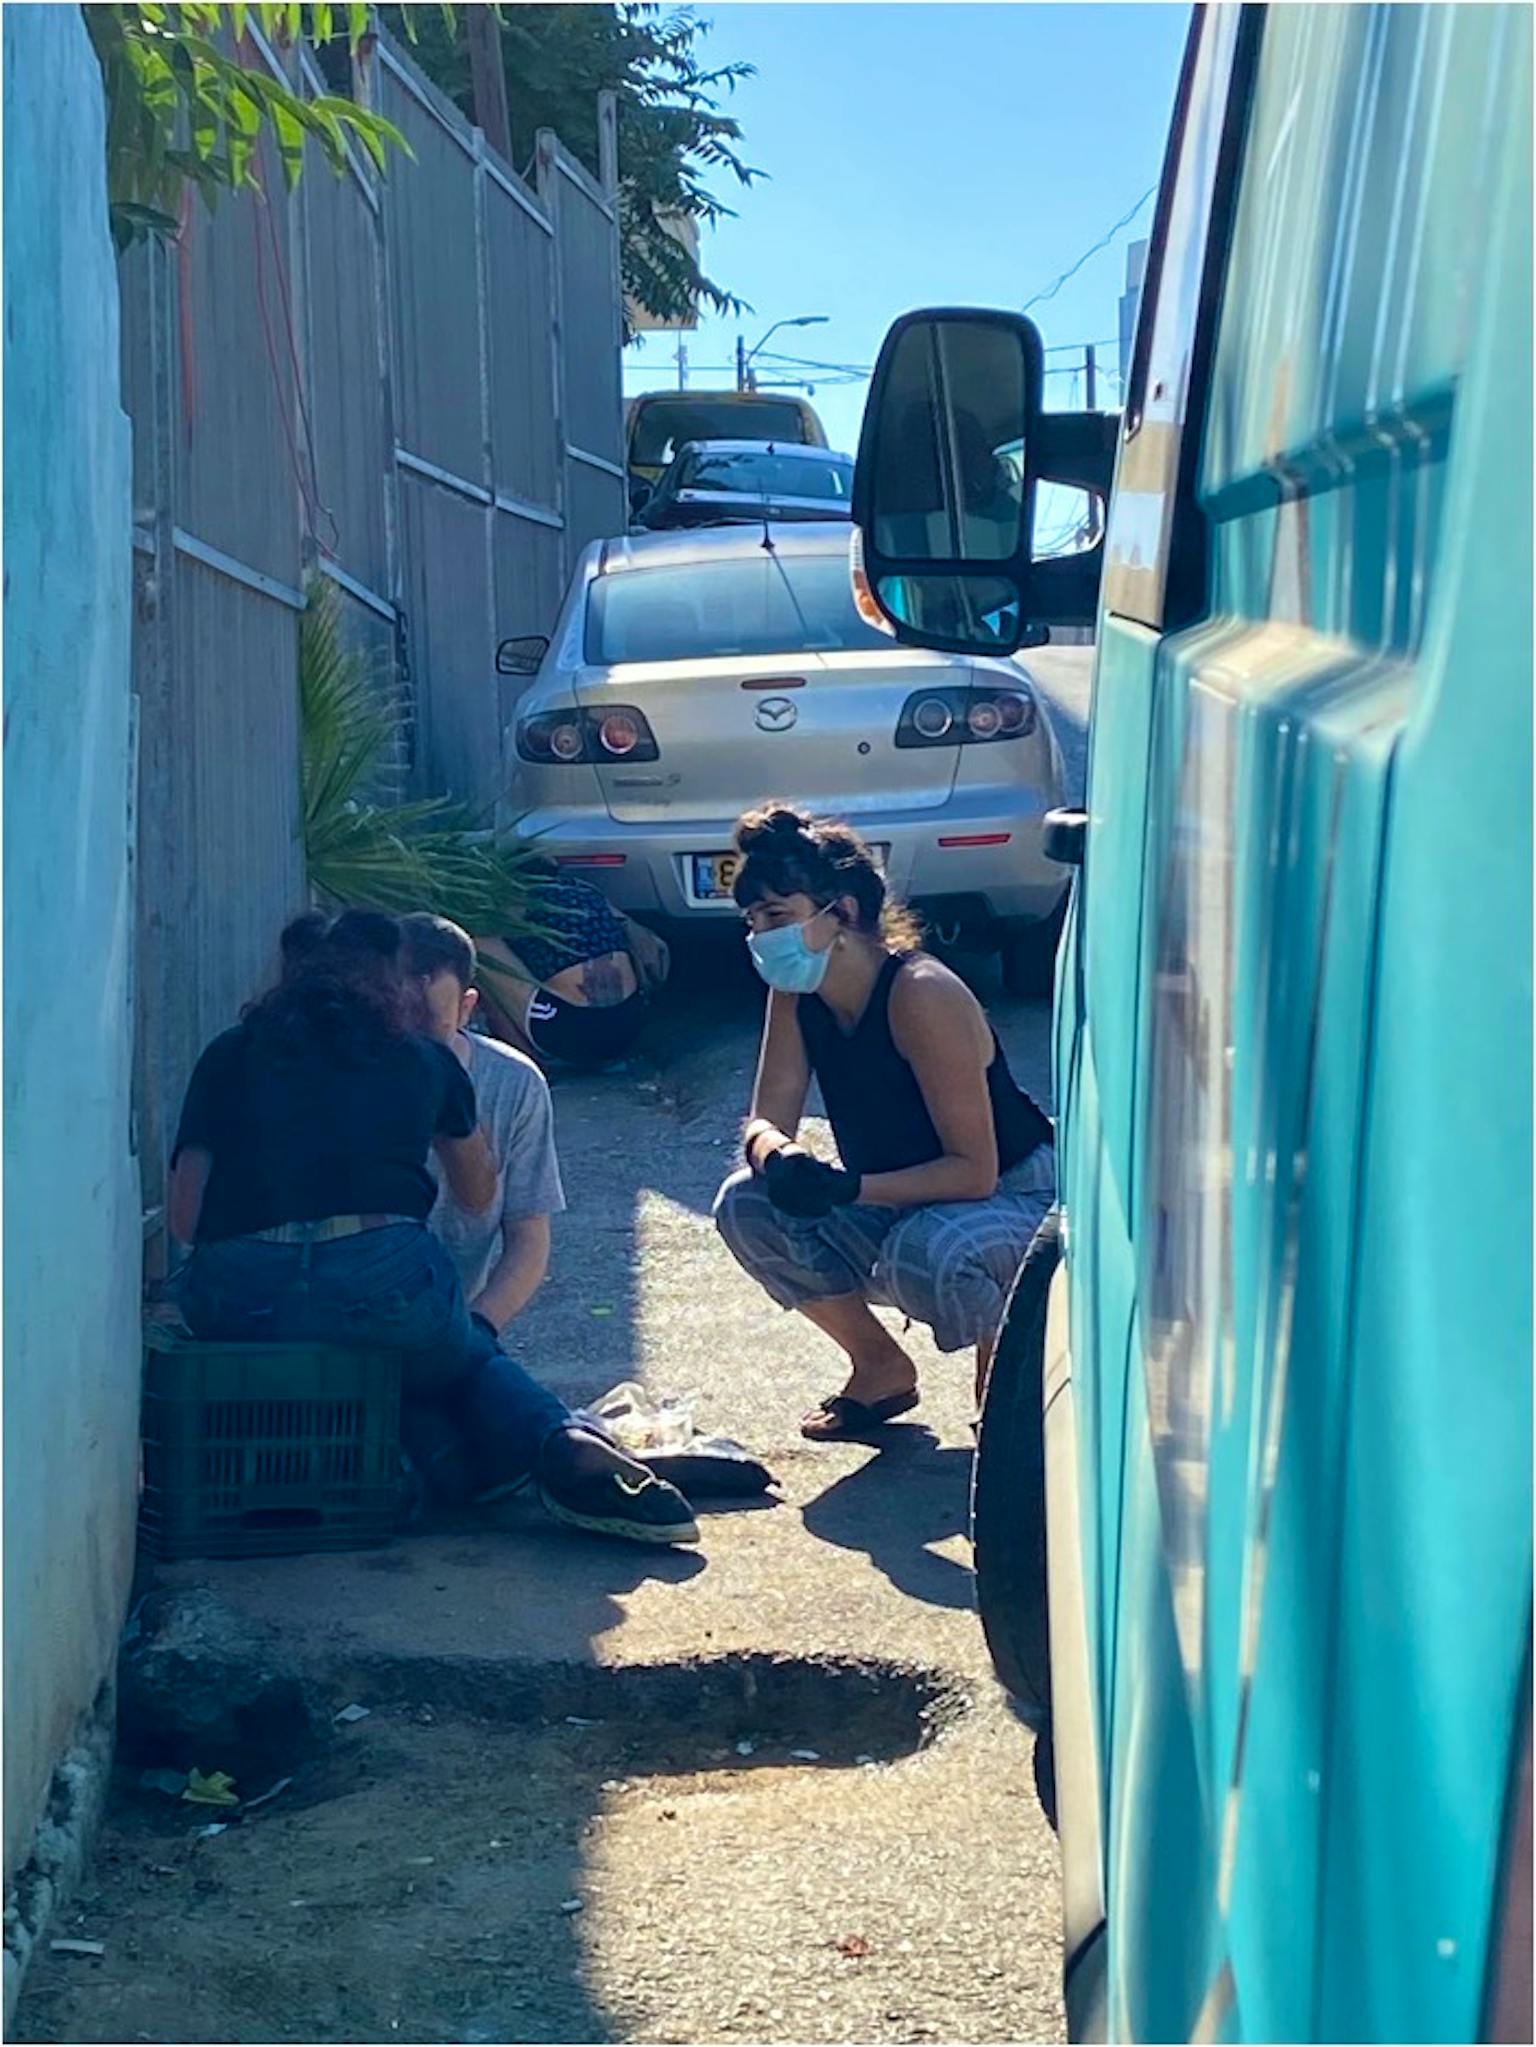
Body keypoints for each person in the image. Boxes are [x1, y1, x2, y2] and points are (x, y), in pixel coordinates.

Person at [167, 908, 697, 1546]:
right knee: (462, 1357)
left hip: (242, 1299)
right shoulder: (424, 1059)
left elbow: (184, 1219)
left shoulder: (226, 1053)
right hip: (383, 1285)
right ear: (390, 981)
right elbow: (477, 1198)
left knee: (365, 1370)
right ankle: (559, 1439)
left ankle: (405, 1469)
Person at [713, 805, 1056, 1441]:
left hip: (1015, 1195)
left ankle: (1005, 1382)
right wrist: (777, 1154)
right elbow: (767, 1112)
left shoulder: (922, 993)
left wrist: (849, 1189)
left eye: (777, 917)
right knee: (747, 1204)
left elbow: (973, 1172)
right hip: (904, 1197)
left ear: (839, 914)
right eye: (753, 921)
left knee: (930, 1251)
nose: (761, 937)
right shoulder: (796, 990)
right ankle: (878, 1368)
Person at [398, 912, 564, 1334]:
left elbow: (528, 1236)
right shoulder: (346, 1073)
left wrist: (477, 1330)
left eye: (428, 1025)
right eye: (398, 1025)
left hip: (456, 1319)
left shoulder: (514, 1083)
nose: (413, 1046)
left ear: (467, 1008)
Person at [471, 864, 669, 1072]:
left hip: (569, 1031)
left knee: (480, 949)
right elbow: (658, 952)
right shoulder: (584, 891)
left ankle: (526, 1064)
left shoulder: (512, 904)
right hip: (629, 1026)